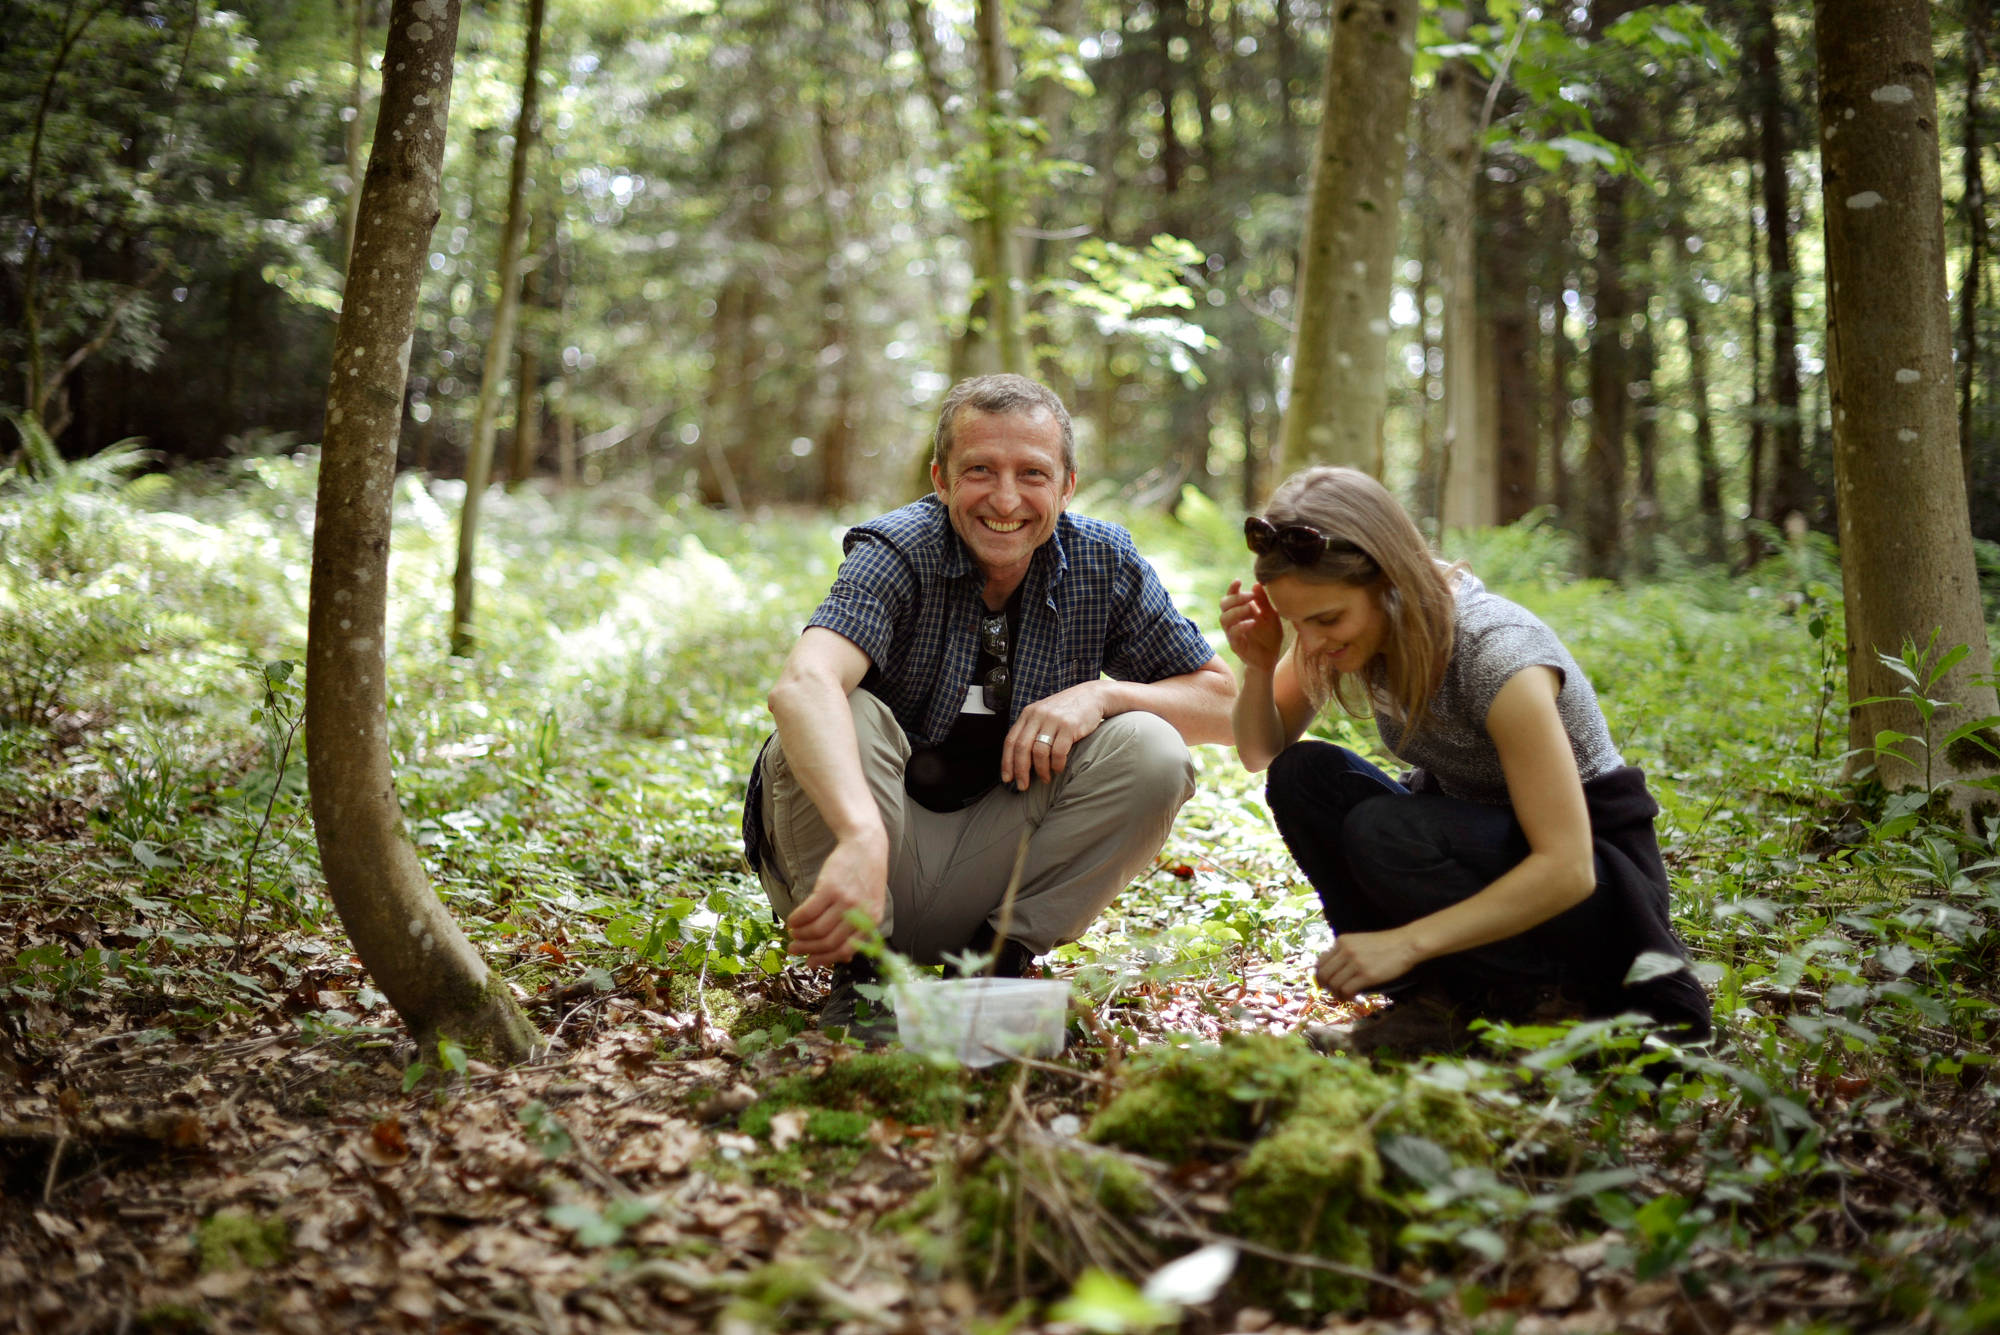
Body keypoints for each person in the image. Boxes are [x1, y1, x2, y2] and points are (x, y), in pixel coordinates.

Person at [744, 374, 1236, 1035]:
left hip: (988, 871)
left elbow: (1226, 707)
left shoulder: (1102, 562)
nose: (1005, 498)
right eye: (980, 470)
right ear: (941, 478)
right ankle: (863, 983)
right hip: (863, 869)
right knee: (845, 710)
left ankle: (989, 975)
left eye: (1032, 473)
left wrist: (1104, 693)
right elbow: (802, 685)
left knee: (1152, 743)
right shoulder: (898, 548)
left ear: (1066, 485)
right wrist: (860, 833)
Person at [1218, 466, 1710, 1055]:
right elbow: (1260, 752)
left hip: (1597, 886)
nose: (1314, 640)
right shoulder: (1354, 630)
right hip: (1474, 847)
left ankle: (1552, 1002)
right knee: (1304, 777)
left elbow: (1568, 866)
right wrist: (1256, 663)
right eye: (1298, 622)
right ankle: (1445, 1004)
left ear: (1390, 582)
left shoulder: (1499, 654)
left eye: (1326, 619)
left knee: (1390, 830)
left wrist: (1406, 941)